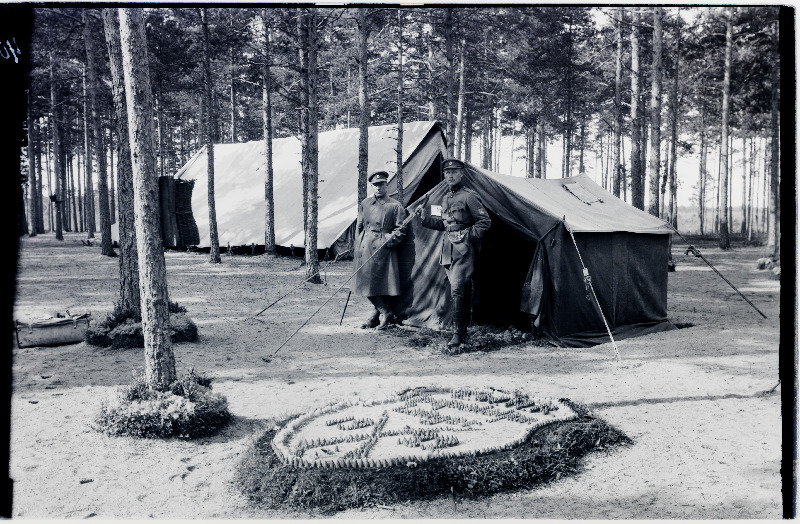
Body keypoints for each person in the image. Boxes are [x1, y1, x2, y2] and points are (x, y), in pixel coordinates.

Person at [416, 158, 491, 347]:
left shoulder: (469, 196)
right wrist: (424, 219)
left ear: (461, 174)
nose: (449, 175)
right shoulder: (446, 198)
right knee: (460, 290)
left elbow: (484, 222)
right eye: (447, 173)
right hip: (448, 251)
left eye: (454, 172)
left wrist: (465, 237)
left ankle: (459, 334)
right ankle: (462, 330)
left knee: (458, 289)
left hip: (462, 250)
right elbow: (445, 224)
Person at [353, 171, 408, 330]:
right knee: (365, 282)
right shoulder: (365, 203)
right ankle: (379, 315)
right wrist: (357, 245)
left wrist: (388, 240)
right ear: (371, 186)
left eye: (381, 184)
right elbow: (359, 225)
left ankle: (384, 313)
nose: (378, 187)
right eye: (375, 185)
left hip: (384, 248)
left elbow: (401, 230)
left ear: (386, 185)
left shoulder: (395, 205)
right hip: (365, 247)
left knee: (377, 284)